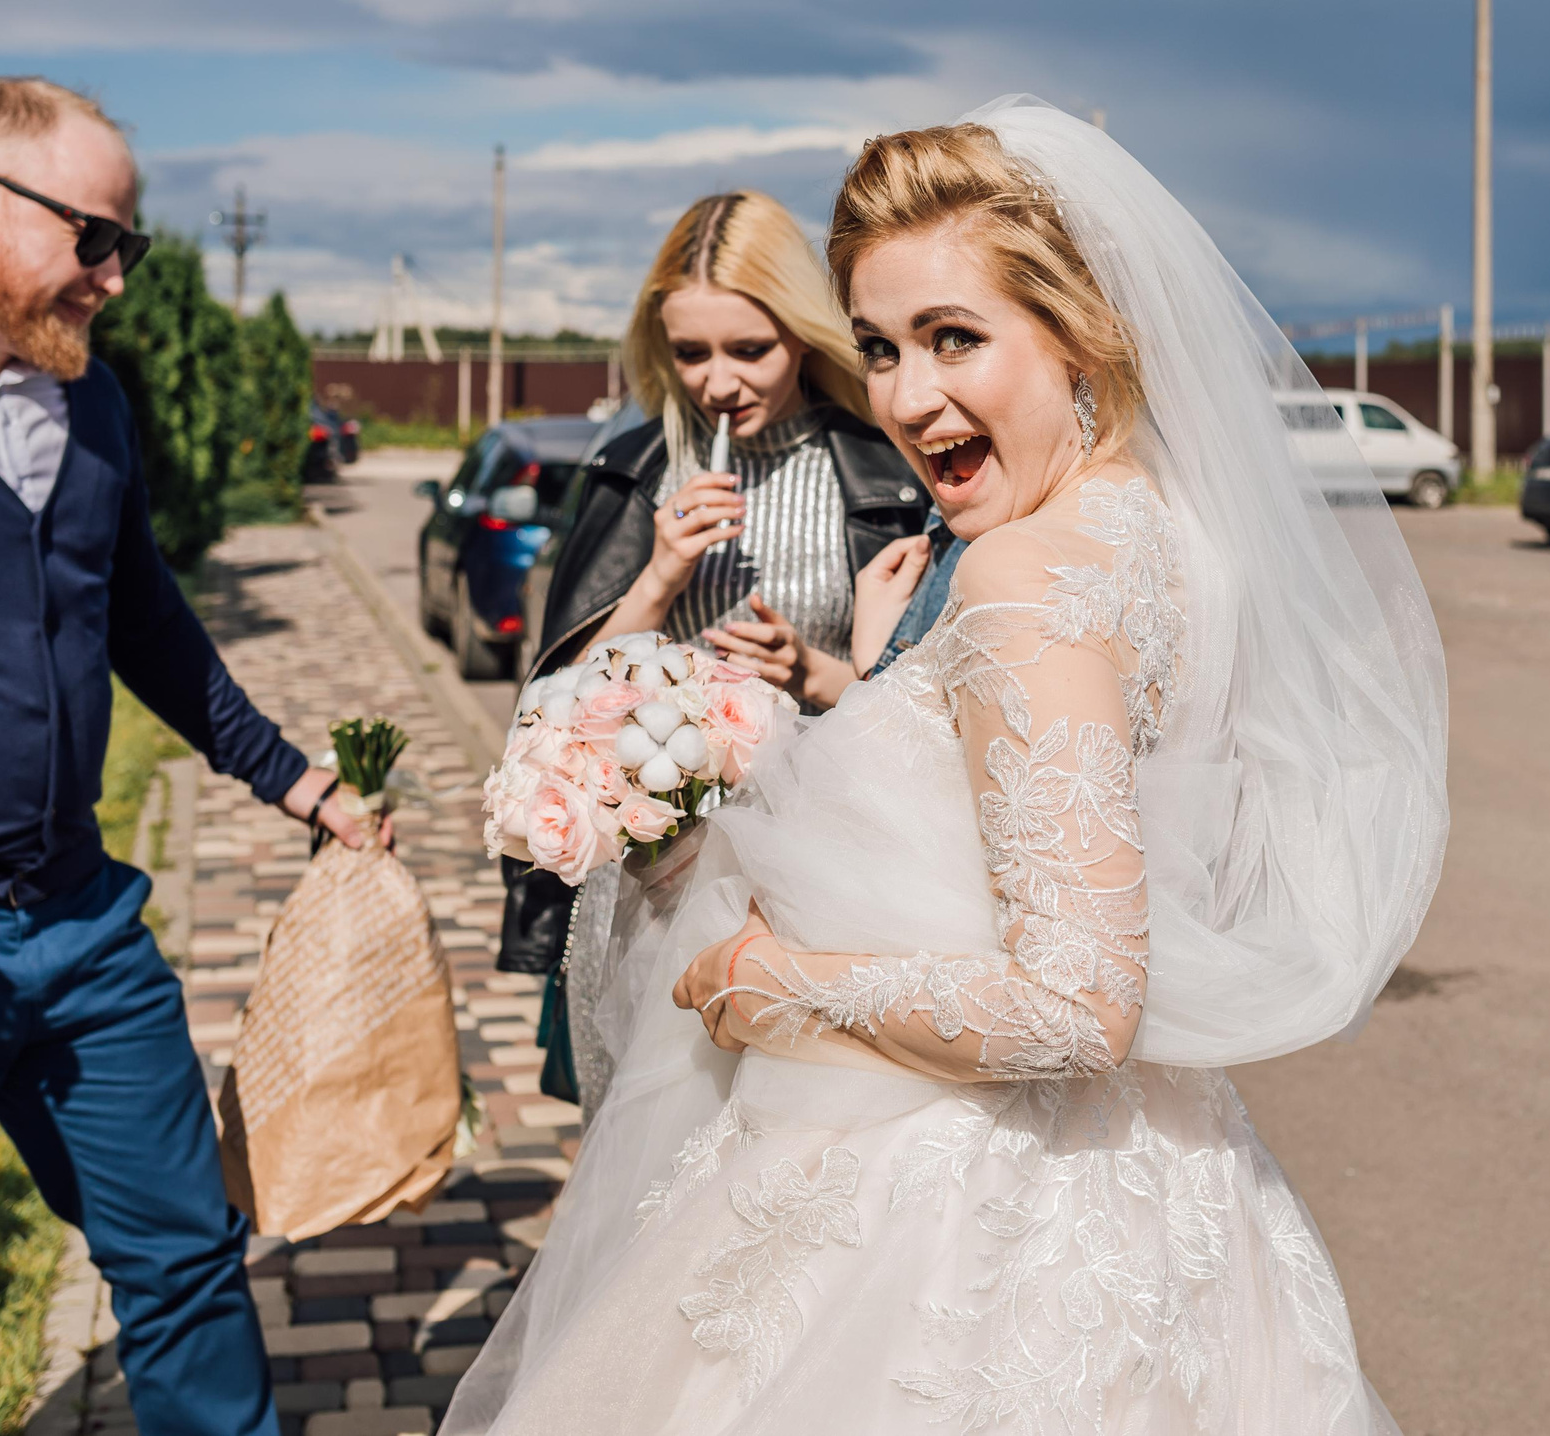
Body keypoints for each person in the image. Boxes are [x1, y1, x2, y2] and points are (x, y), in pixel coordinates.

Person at [443, 98, 1449, 1434]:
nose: (910, 397)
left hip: (957, 1226)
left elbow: (1081, 1002)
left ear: (1084, 324)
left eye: (955, 338)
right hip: (1170, 1191)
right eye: (880, 347)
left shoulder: (1026, 574)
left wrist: (774, 977)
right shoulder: (1171, 535)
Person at [0, 77, 387, 1434]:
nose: (113, 276)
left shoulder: (89, 403)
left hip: (86, 925)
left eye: (129, 248)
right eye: (93, 238)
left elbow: (141, 613)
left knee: (185, 1258)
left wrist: (289, 774)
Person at [493, 191, 936, 1114]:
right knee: (653, 1135)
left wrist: (810, 672)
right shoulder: (636, 468)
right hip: (658, 875)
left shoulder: (884, 467)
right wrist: (659, 575)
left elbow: (930, 704)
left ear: (806, 333)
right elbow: (564, 701)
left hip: (819, 870)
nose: (719, 382)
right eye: (691, 352)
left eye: (750, 349)